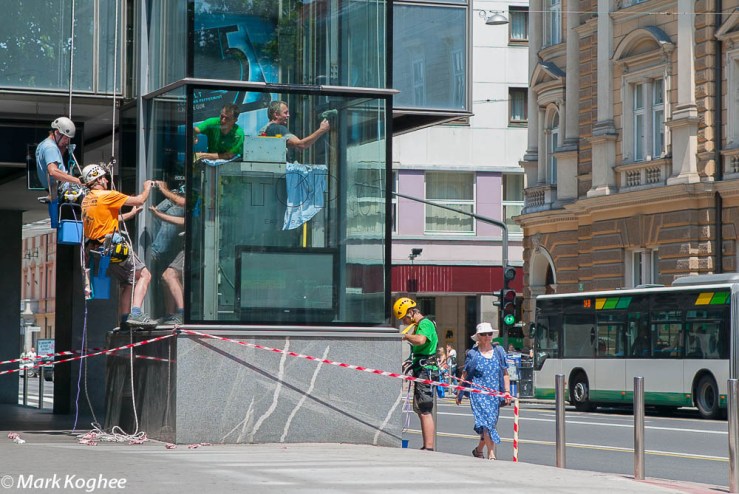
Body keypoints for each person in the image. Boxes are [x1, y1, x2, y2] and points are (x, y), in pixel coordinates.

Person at [80, 163, 156, 328]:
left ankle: (124, 319)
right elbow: (140, 199)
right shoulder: (107, 196)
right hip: (114, 248)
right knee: (145, 275)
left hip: (100, 251)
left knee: (127, 282)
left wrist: (131, 214)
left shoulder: (87, 200)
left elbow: (105, 222)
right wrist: (147, 187)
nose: (107, 180)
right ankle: (136, 313)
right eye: (104, 177)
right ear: (97, 179)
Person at [455, 322, 511, 460]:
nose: (487, 337)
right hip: (478, 393)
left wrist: (507, 392)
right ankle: (491, 454)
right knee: (486, 423)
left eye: (489, 334)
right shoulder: (473, 354)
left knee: (491, 422)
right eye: (483, 334)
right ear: (478, 336)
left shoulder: (499, 351)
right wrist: (459, 392)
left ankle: (478, 450)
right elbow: (465, 374)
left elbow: (505, 373)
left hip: (494, 393)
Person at [394, 297, 438, 451]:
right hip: (421, 367)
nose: (405, 322)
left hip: (425, 370)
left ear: (411, 312)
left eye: (405, 318)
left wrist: (405, 336)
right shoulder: (421, 324)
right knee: (420, 408)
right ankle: (427, 446)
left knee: (425, 409)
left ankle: (429, 447)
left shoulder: (424, 323)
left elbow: (420, 340)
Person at [149, 180, 185, 325]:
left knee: (169, 275)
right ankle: (170, 315)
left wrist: (164, 189)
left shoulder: (196, 195)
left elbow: (182, 208)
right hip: (177, 245)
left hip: (192, 246)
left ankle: (182, 314)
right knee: (166, 279)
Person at [35, 117, 84, 222]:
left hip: (57, 190)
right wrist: (79, 181)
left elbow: (56, 162)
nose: (67, 141)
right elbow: (53, 171)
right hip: (63, 189)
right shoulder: (50, 148)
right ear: (57, 132)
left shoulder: (44, 145)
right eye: (65, 138)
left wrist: (63, 148)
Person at [259, 100, 330, 162]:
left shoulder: (265, 129)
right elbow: (301, 144)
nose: (288, 115)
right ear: (276, 115)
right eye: (285, 113)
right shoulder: (278, 129)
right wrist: (321, 130)